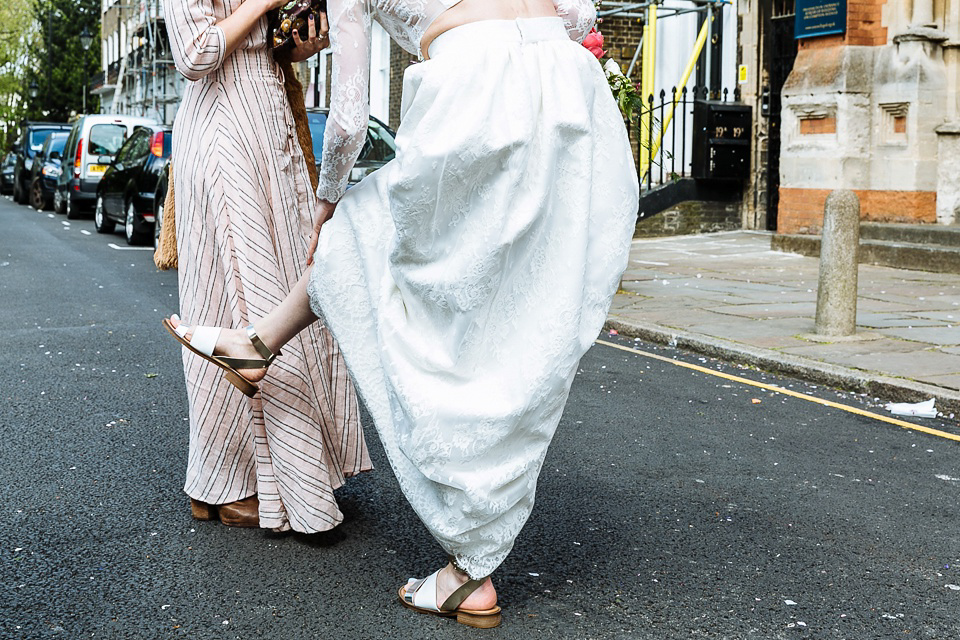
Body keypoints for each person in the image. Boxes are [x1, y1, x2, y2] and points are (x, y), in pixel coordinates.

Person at [165, 0, 639, 627]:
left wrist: (328, 202)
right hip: (573, 89)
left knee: (390, 263)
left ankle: (472, 567)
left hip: (476, 87)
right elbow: (580, 15)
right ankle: (259, 343)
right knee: (522, 321)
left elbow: (347, 122)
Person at [162, 0, 371, 533]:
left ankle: (221, 481)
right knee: (242, 297)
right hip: (223, 128)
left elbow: (263, 40)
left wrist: (297, 42)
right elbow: (194, 52)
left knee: (274, 294)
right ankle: (232, 483)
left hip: (268, 118)